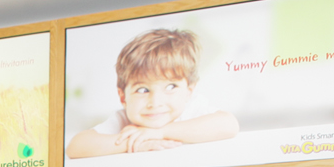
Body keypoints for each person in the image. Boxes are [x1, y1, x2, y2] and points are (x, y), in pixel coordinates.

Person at [66, 28, 238, 158]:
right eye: (142, 90)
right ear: (123, 97)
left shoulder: (192, 109)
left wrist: (159, 132)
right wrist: (134, 141)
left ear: (188, 92)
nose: (155, 103)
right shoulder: (124, 120)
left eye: (170, 87)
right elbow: (75, 147)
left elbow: (229, 124)